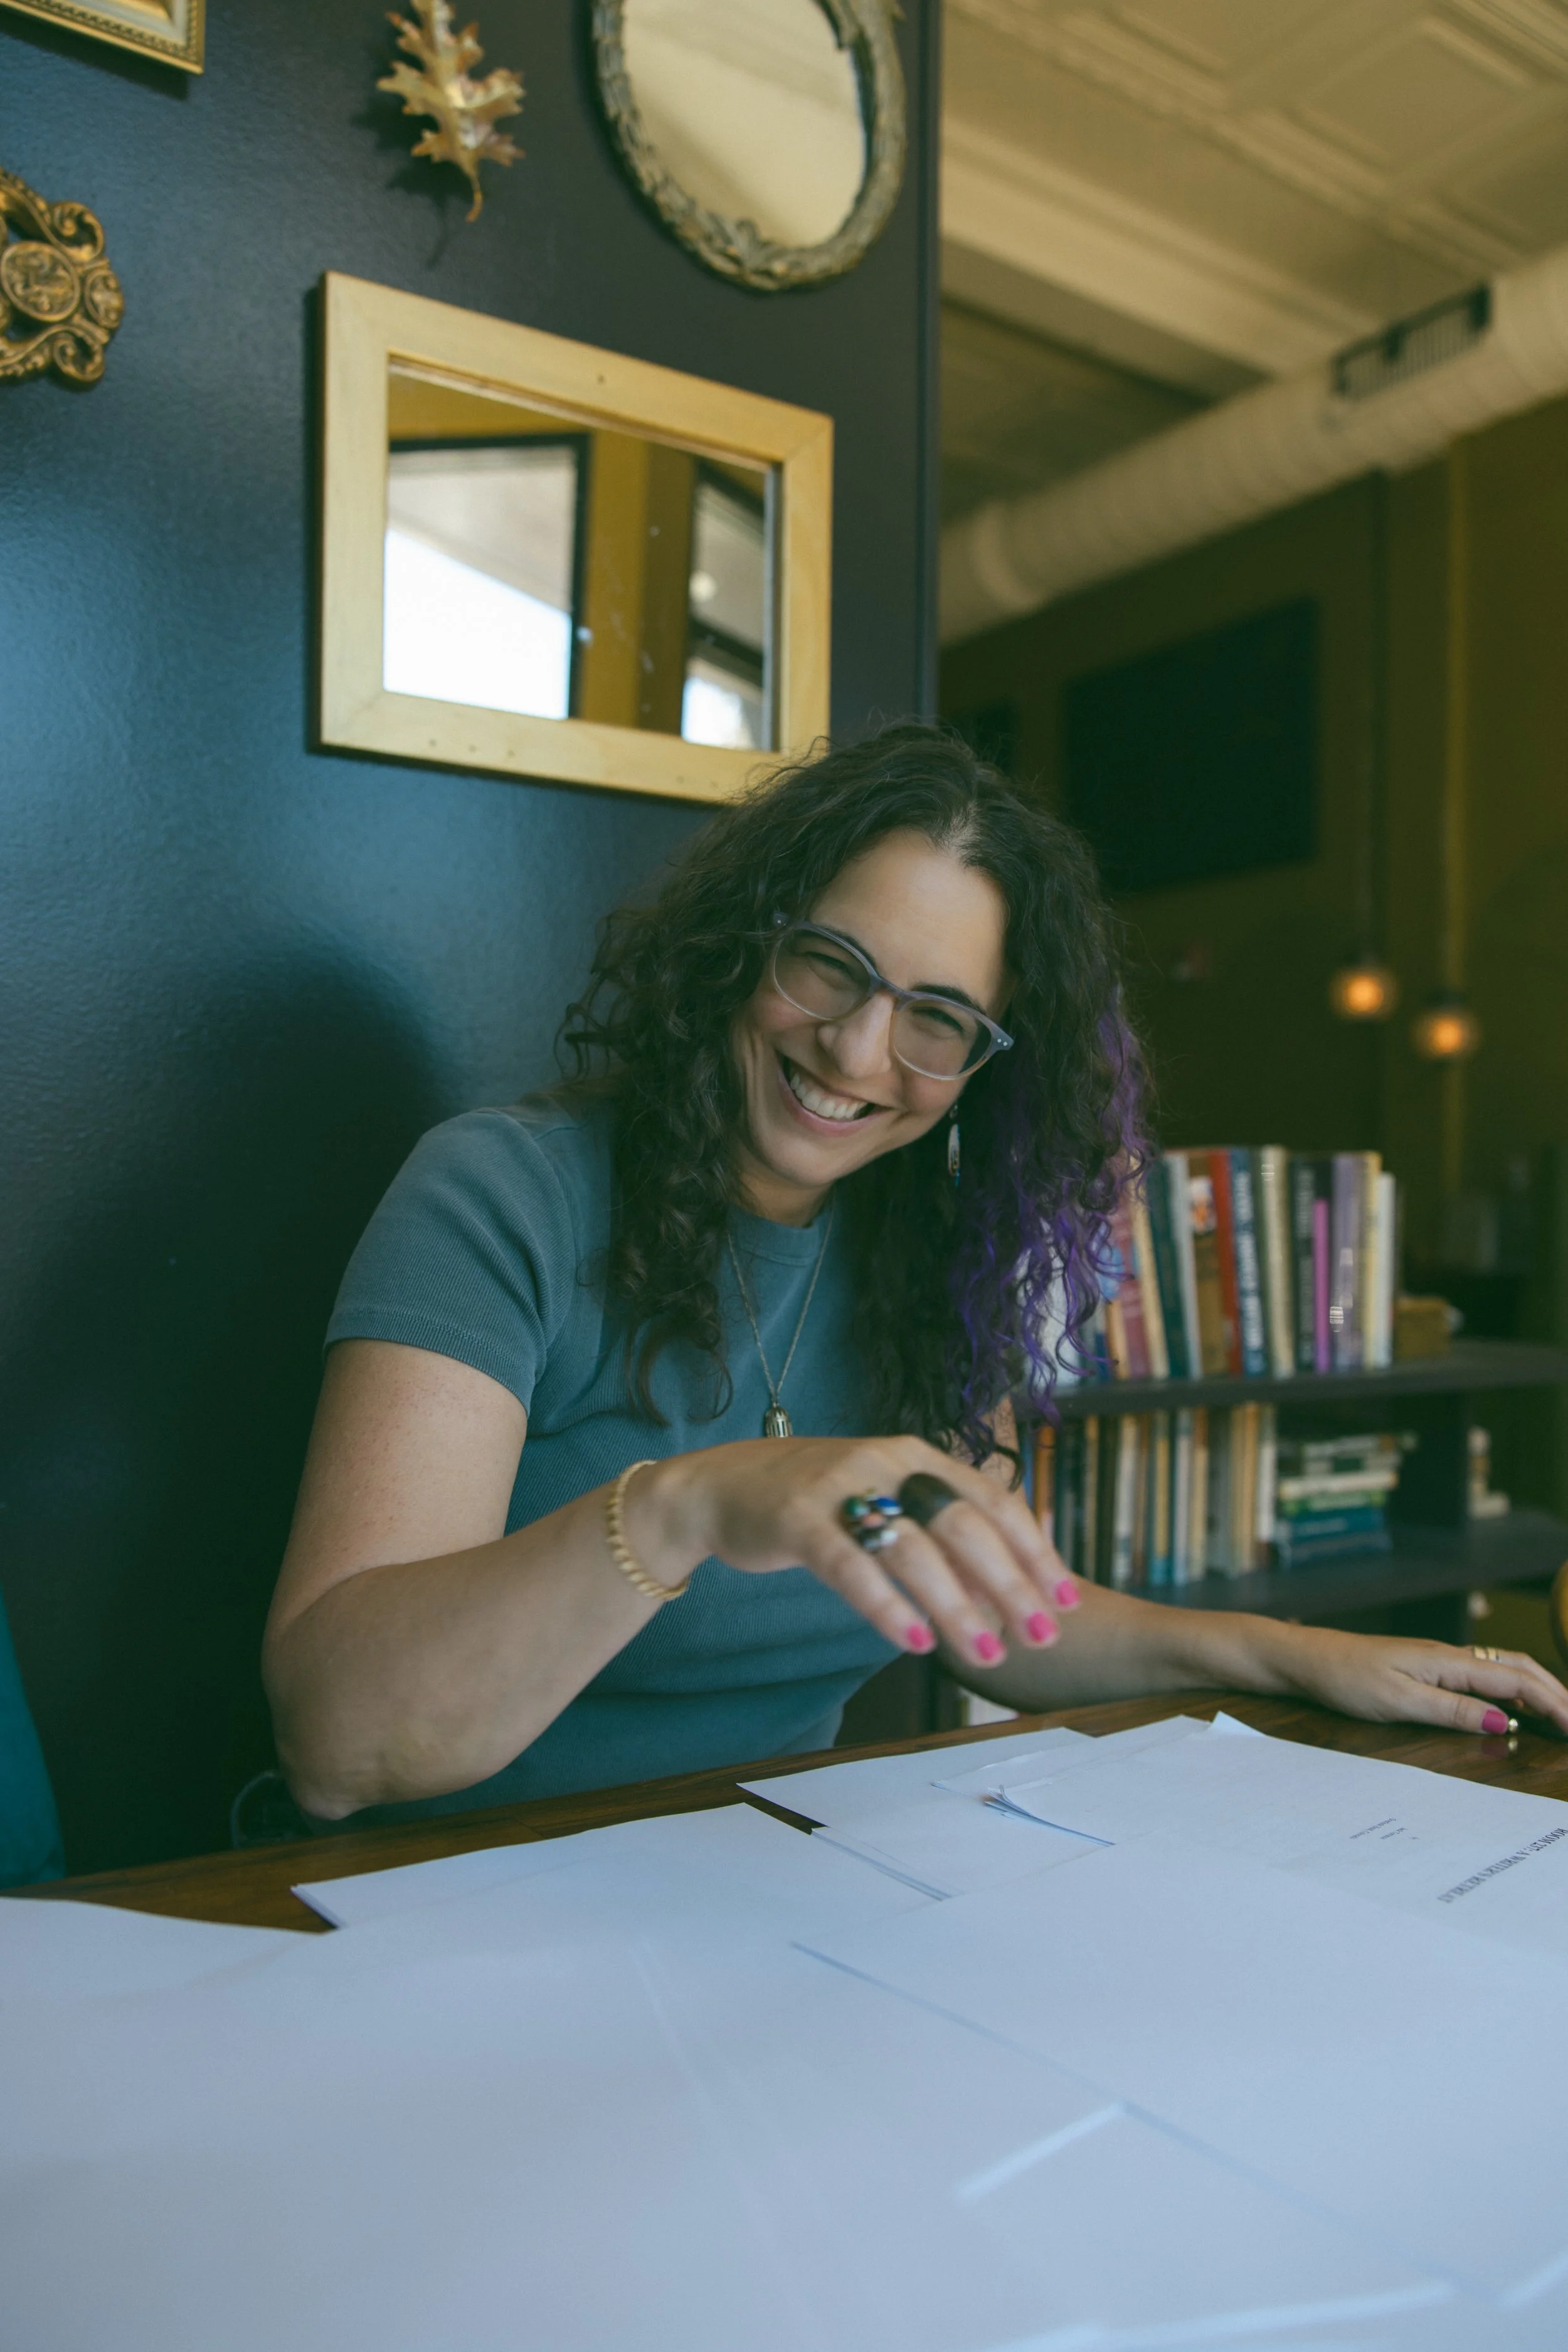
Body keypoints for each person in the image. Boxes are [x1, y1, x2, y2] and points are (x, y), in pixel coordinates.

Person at [263, 724, 1568, 1825]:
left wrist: (1301, 1659)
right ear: (742, 944)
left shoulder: (938, 1260)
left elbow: (1003, 1616)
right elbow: (337, 1737)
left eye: (935, 1018)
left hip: (776, 1901)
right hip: (436, 1907)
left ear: (982, 1070)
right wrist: (685, 1508)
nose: (856, 1046)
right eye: (830, 964)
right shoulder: (504, 1193)